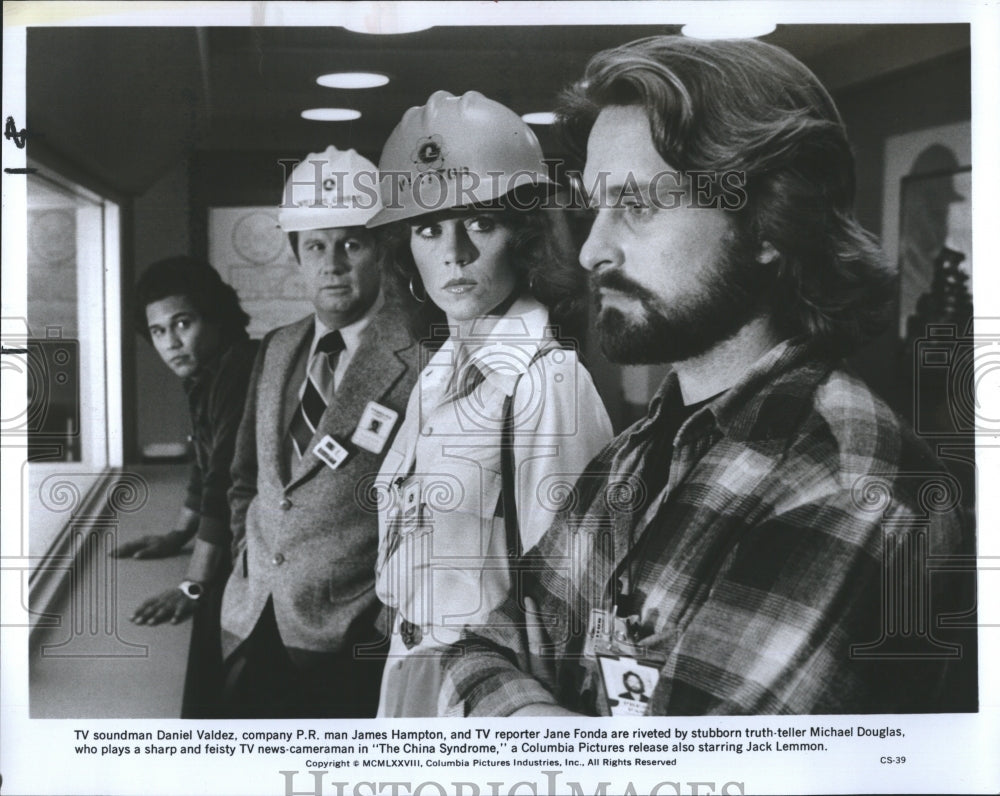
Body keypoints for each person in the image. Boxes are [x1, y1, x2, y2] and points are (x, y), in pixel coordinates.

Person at [439, 36, 974, 716]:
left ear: (769, 226)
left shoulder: (846, 480)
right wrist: (550, 726)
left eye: (637, 205)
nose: (595, 249)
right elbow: (485, 643)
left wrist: (526, 725)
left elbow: (691, 775)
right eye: (595, 208)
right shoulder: (639, 451)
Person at [366, 90, 613, 716]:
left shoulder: (549, 381)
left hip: (502, 694)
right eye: (428, 228)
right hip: (414, 668)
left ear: (525, 238)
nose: (454, 251)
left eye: (480, 222)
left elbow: (577, 600)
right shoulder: (438, 373)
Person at [218, 145, 420, 717]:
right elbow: (246, 482)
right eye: (315, 246)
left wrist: (381, 622)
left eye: (350, 244)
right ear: (297, 257)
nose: (331, 263)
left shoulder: (424, 360)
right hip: (250, 621)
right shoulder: (277, 349)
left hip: (349, 644)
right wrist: (248, 564)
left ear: (380, 251)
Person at [113, 255, 258, 718]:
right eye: (158, 331)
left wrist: (194, 584)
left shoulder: (240, 371)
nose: (171, 343)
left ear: (214, 317)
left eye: (183, 323)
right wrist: (178, 534)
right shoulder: (207, 373)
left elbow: (225, 481)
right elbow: (204, 459)